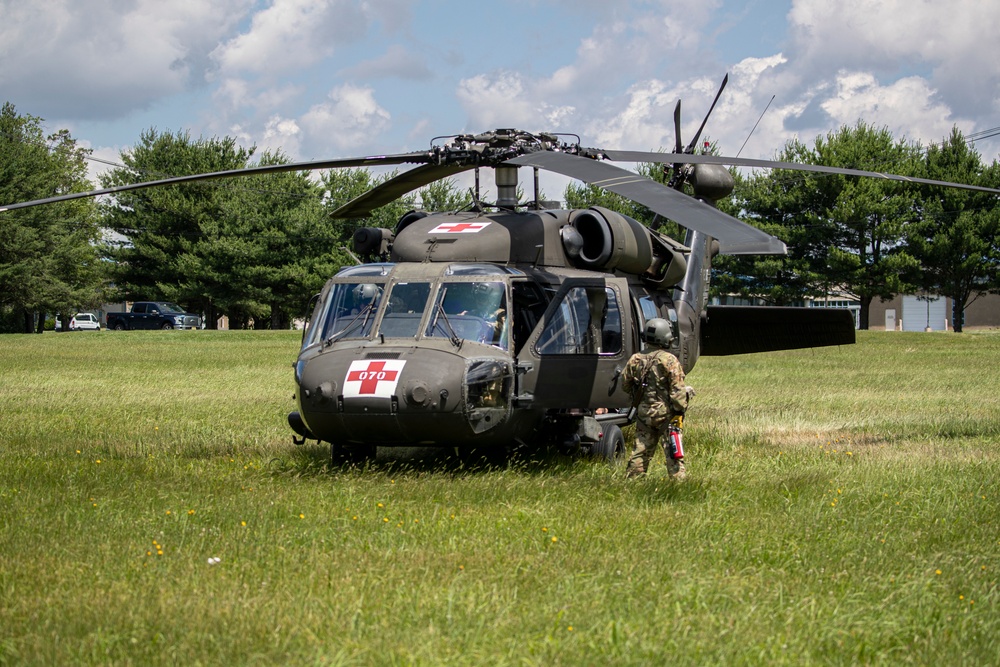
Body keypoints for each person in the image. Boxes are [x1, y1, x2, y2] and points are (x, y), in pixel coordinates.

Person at [622, 318, 694, 479]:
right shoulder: (669, 360)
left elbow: (624, 385)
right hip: (666, 415)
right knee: (673, 451)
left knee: (640, 450)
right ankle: (677, 483)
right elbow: (677, 392)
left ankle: (632, 481)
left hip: (644, 413)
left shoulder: (635, 359)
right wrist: (680, 410)